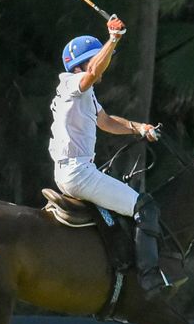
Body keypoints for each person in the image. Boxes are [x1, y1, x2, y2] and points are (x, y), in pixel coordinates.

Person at [47, 15, 168, 292]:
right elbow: (90, 74)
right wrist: (112, 39)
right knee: (144, 206)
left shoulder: (86, 95)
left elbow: (106, 122)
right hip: (77, 172)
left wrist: (139, 128)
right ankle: (150, 280)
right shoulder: (71, 84)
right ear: (82, 64)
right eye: (96, 60)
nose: (103, 68)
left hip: (78, 170)